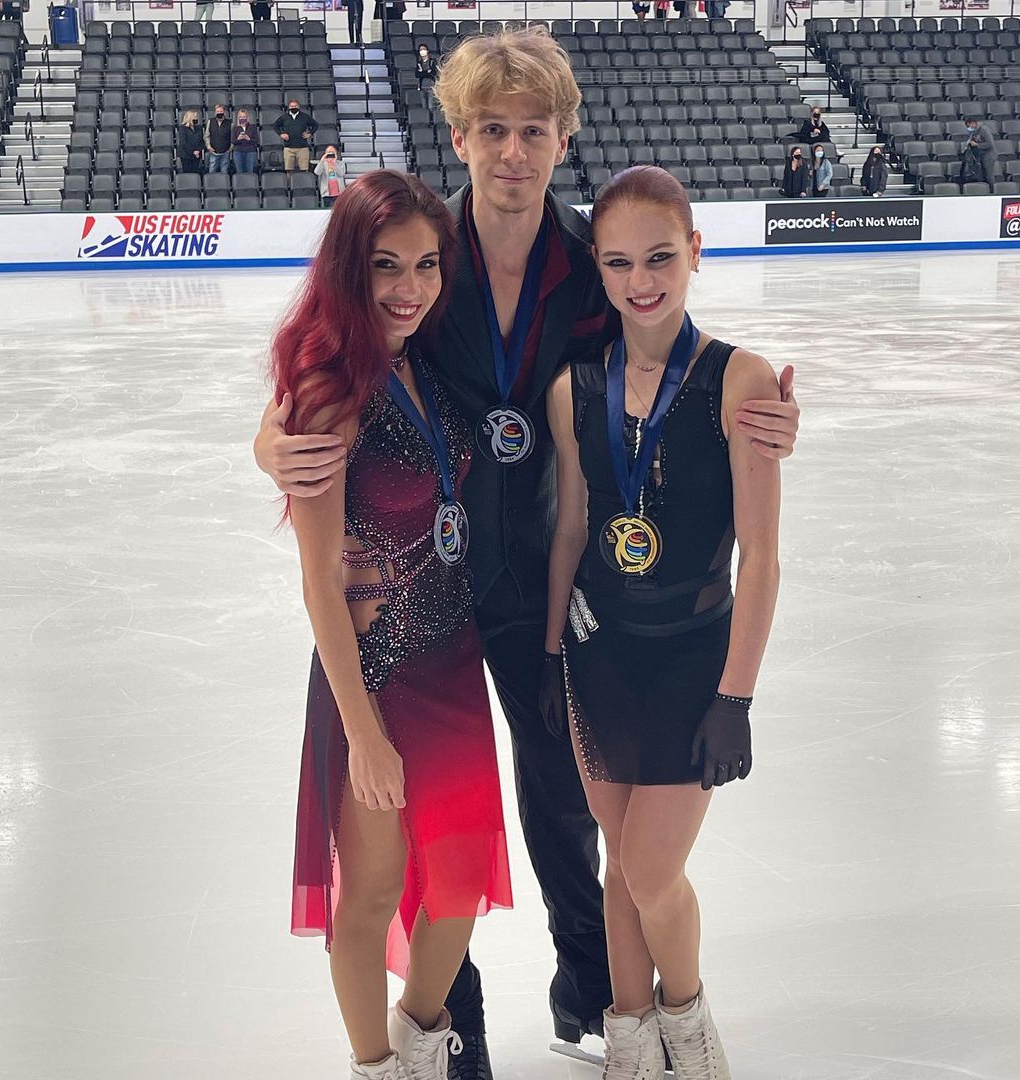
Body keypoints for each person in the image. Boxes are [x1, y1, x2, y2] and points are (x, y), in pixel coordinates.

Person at [253, 29, 801, 1080]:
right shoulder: (426, 252)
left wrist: (760, 413)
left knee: (559, 795)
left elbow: (661, 348)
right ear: (459, 137)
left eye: (534, 131)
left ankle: (587, 988)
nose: (514, 151)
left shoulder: (592, 262)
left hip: (557, 574)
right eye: (493, 129)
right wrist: (269, 439)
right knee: (436, 816)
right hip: (442, 585)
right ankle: (446, 1020)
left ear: (564, 138)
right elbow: (344, 357)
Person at [544, 164, 781, 1080]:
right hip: (599, 658)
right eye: (617, 263)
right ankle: (631, 1041)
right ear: (598, 270)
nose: (640, 281)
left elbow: (761, 558)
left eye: (659, 257)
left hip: (693, 663)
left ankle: (689, 1027)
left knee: (650, 871)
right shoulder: (575, 388)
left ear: (695, 252)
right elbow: (572, 529)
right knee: (621, 865)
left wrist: (737, 697)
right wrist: (553, 653)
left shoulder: (739, 378)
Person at [280, 169, 513, 1080]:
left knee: (458, 881)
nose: (409, 287)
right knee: (373, 892)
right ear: (351, 266)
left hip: (452, 654)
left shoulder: (424, 357)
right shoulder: (328, 393)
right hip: (373, 670)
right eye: (386, 265)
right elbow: (317, 584)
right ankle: (377, 1067)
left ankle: (420, 1040)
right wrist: (365, 736)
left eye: (425, 265)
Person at [275, 98, 318, 174]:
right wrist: (281, 134)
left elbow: (315, 125)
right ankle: (290, 182)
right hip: (288, 148)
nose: (293, 107)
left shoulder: (305, 117)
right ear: (288, 107)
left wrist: (310, 133)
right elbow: (275, 126)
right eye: (292, 106)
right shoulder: (284, 117)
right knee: (289, 170)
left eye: (295, 106)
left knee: (304, 170)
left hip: (303, 148)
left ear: (299, 107)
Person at [960, 116, 996, 192]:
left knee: (988, 176)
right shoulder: (974, 131)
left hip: (989, 155)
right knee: (983, 176)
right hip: (981, 155)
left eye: (969, 126)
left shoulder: (984, 130)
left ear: (973, 123)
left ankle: (992, 192)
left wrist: (977, 145)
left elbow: (990, 144)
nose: (969, 128)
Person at [205, 103, 232, 174]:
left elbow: (232, 136)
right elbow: (207, 135)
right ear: (215, 112)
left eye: (221, 111)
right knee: (212, 170)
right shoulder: (210, 121)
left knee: (224, 171)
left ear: (224, 112)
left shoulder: (230, 123)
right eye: (218, 111)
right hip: (213, 151)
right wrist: (208, 146)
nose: (219, 113)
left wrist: (230, 148)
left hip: (225, 151)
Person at [231, 109, 260, 174]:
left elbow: (256, 141)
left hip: (250, 151)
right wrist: (238, 139)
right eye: (241, 117)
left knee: (249, 172)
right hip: (238, 152)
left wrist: (248, 139)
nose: (242, 118)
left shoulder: (253, 127)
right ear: (238, 118)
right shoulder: (235, 128)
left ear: (247, 117)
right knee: (239, 172)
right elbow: (233, 141)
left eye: (244, 117)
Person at [178, 110, 204, 174]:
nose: (196, 119)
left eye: (196, 117)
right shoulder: (182, 128)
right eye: (195, 117)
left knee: (195, 172)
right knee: (188, 173)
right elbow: (183, 143)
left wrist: (198, 150)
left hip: (197, 155)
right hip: (186, 155)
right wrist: (193, 152)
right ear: (189, 118)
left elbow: (202, 141)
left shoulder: (199, 128)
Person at [416, 43, 438, 111]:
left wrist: (422, 72)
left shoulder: (432, 61)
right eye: (421, 50)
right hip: (422, 86)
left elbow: (434, 73)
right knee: (424, 107)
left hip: (431, 86)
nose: (422, 51)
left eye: (424, 49)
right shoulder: (419, 63)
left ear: (427, 50)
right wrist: (427, 72)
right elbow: (417, 75)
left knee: (431, 106)